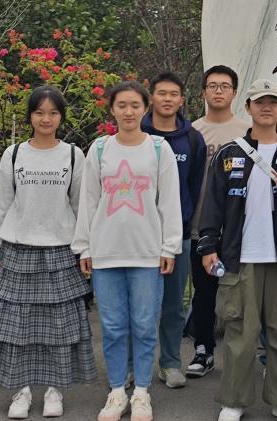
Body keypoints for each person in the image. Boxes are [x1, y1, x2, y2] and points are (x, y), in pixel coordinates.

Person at [197, 79, 277, 421]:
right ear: (248, 107)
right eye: (259, 102)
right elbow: (213, 205)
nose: (266, 108)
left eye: (272, 102)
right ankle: (234, 401)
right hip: (240, 258)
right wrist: (208, 245)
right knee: (240, 334)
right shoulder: (229, 153)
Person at [0, 86, 96, 418]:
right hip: (20, 250)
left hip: (60, 251)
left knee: (58, 328)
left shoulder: (73, 155)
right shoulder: (14, 154)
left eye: (53, 113)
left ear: (61, 117)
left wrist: (83, 247)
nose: (46, 119)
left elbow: (80, 206)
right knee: (19, 328)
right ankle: (21, 392)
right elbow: (2, 203)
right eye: (39, 112)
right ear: (30, 116)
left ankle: (54, 391)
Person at [72, 80, 182, 421]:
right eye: (122, 105)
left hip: (147, 253)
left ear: (145, 108)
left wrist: (170, 247)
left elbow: (170, 202)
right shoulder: (99, 149)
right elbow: (88, 201)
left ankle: (142, 392)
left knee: (145, 325)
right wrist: (84, 247)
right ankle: (117, 390)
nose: (129, 111)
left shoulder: (159, 149)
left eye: (135, 105)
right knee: (113, 327)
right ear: (112, 109)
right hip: (105, 253)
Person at [142, 72, 207, 390]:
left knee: (172, 305)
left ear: (182, 100)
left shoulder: (192, 139)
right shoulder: (137, 133)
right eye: (161, 93)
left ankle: (169, 363)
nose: (167, 99)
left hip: (176, 235)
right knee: (138, 307)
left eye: (173, 94)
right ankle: (134, 366)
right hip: (137, 235)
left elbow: (193, 187)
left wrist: (183, 222)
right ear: (151, 96)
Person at [188, 65, 250, 378]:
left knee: (243, 294)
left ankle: (243, 358)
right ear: (203, 92)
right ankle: (203, 350)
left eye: (225, 86)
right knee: (204, 293)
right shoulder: (192, 131)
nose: (218, 91)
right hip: (200, 227)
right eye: (212, 86)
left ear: (234, 93)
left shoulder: (247, 131)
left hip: (240, 229)